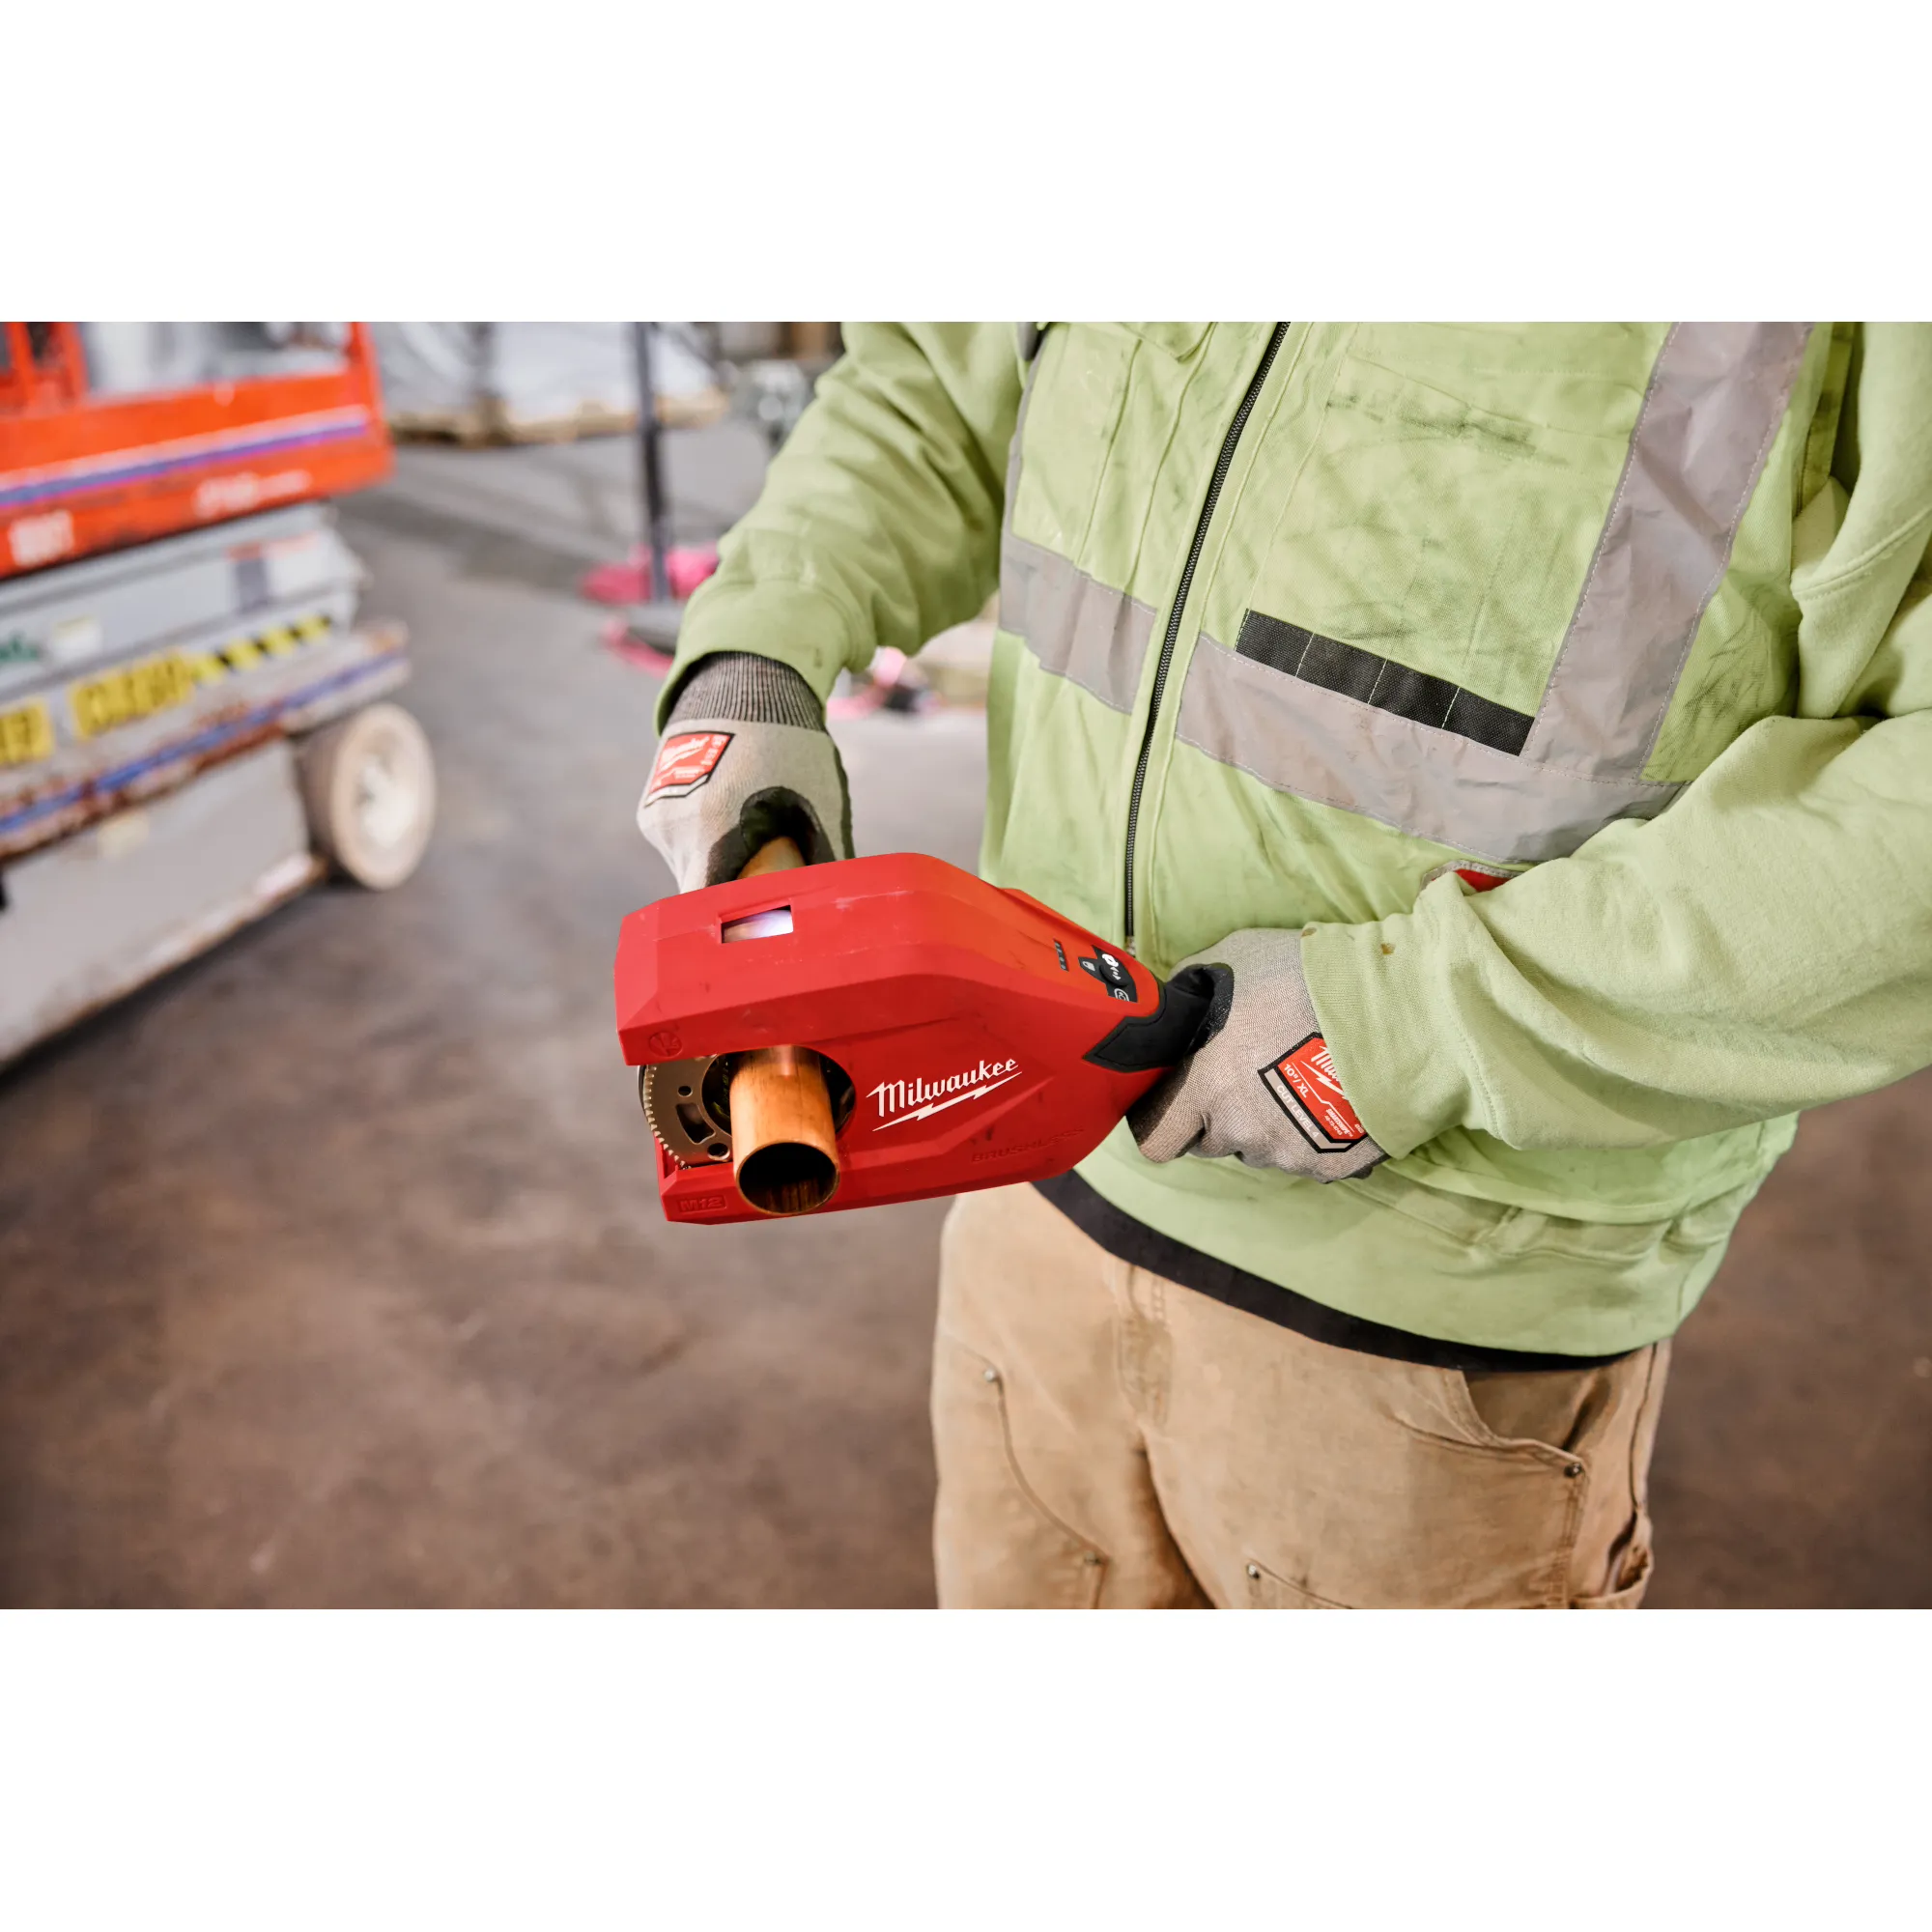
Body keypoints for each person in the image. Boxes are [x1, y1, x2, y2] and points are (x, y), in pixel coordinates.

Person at [639, 323, 1932, 1608]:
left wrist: (1407, 1020)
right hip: (1029, 1163)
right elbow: (940, 378)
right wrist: (759, 647)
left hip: (1438, 1302)